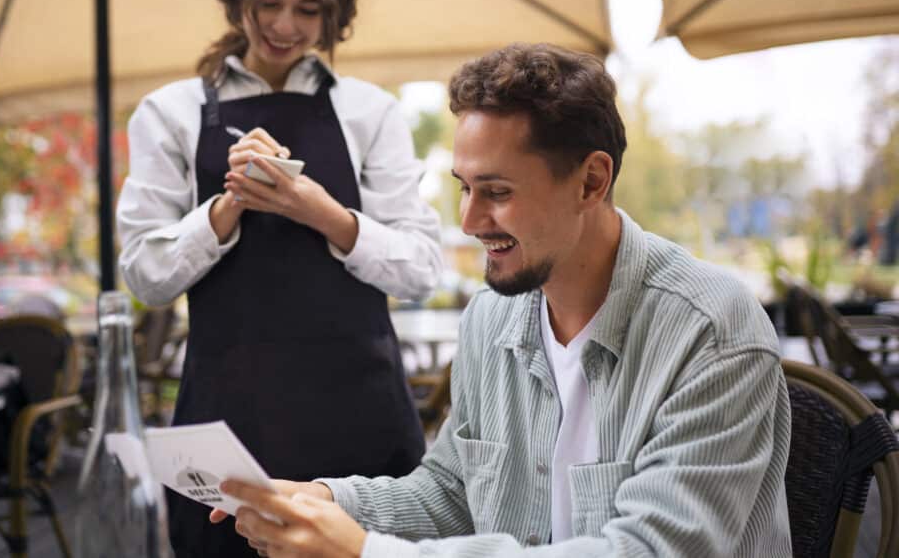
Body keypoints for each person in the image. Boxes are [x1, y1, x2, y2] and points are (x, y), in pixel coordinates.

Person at [214, 43, 793, 557]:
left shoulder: (712, 332)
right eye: (464, 188)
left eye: (496, 192)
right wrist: (326, 502)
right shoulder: (492, 317)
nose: (468, 221)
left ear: (592, 182)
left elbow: (650, 548)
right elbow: (452, 492)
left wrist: (367, 552)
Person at [116, 0, 443, 557]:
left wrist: (321, 211)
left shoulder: (370, 112)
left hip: (362, 420)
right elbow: (144, 275)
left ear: (335, 13)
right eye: (268, 3)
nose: (284, 26)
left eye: (308, 9)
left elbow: (422, 269)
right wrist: (224, 209)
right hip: (229, 427)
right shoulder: (171, 113)